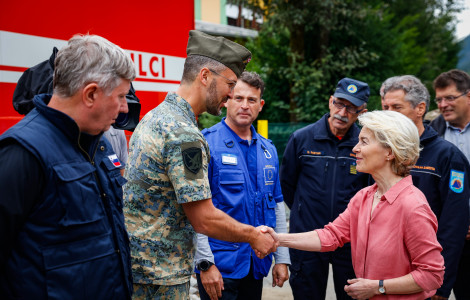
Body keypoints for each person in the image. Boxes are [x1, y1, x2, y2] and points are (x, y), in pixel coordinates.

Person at [123, 30, 277, 299]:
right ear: (205, 76)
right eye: (230, 85)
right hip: (163, 275)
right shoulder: (183, 134)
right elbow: (204, 218)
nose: (230, 96)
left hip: (142, 268)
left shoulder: (155, 116)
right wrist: (253, 236)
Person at [0, 34, 135, 299]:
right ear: (91, 93)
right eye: (120, 96)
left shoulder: (99, 144)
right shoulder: (21, 153)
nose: (123, 108)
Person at [267, 110, 445, 299]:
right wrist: (277, 239)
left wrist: (379, 287)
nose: (355, 148)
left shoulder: (413, 206)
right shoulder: (364, 197)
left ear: (390, 151)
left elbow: (432, 275)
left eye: (364, 142)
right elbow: (331, 236)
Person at [194, 71, 290, 300]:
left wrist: (282, 259)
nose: (245, 105)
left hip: (256, 264)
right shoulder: (205, 143)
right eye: (239, 98)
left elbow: (276, 206)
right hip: (219, 266)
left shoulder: (269, 150)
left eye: (252, 100)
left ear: (261, 105)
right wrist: (205, 264)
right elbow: (194, 210)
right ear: (226, 100)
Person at [280, 77, 371, 299]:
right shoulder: (302, 139)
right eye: (339, 103)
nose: (342, 111)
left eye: (351, 108)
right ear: (330, 102)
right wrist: (304, 212)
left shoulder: (365, 143)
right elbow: (287, 184)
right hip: (308, 237)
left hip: (350, 239)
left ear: (361, 112)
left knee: (352, 295)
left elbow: (369, 189)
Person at [381, 75, 470, 300]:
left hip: (427, 272)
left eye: (396, 107)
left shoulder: (448, 156)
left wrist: (440, 284)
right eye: (385, 107)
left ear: (420, 108)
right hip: (388, 270)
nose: (388, 114)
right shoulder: (381, 152)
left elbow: (453, 224)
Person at [431, 69, 470, 300]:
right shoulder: (431, 133)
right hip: (442, 240)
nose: (443, 104)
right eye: (439, 99)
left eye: (450, 98)